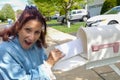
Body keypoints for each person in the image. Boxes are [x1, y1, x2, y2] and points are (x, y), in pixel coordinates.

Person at [0, 5, 64, 80]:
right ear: (18, 27)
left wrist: (53, 61)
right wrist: (48, 64)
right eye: (28, 30)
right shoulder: (5, 51)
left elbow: (43, 67)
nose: (32, 38)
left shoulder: (37, 46)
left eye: (37, 32)